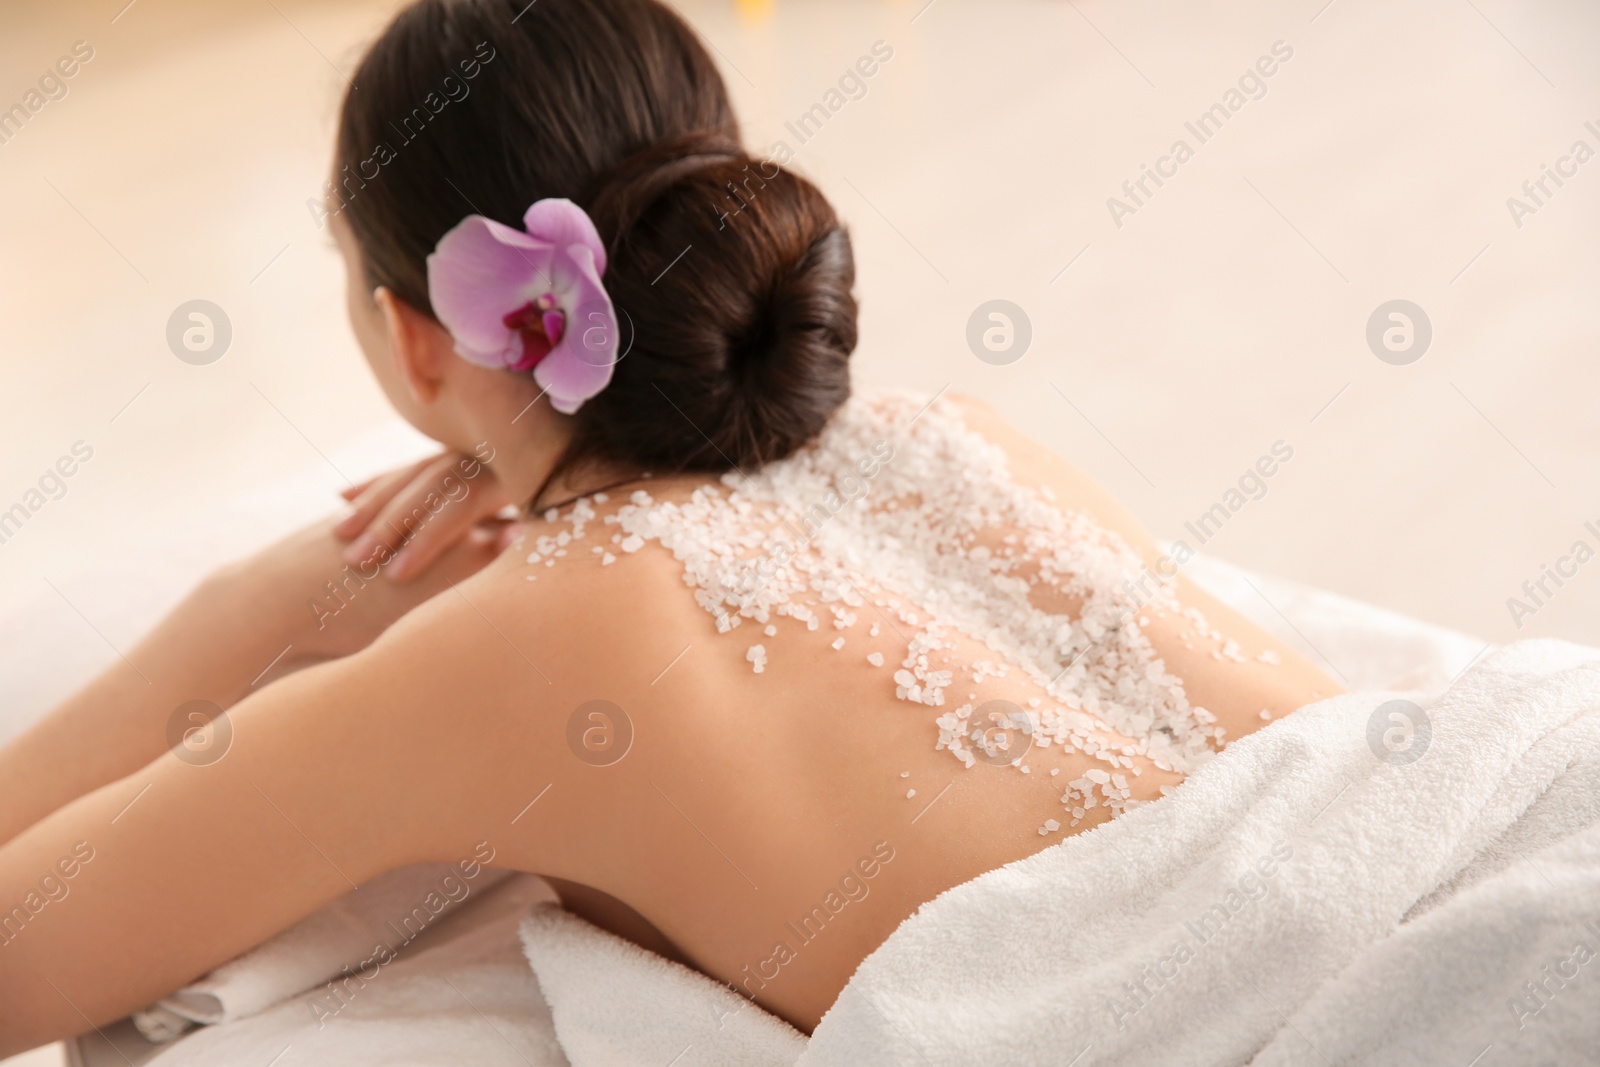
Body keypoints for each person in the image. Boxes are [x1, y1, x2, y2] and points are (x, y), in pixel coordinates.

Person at [0, 0, 1338, 1051]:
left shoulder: (532, 644)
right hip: (1474, 838)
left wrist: (256, 607)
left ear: (415, 340)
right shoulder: (954, 437)